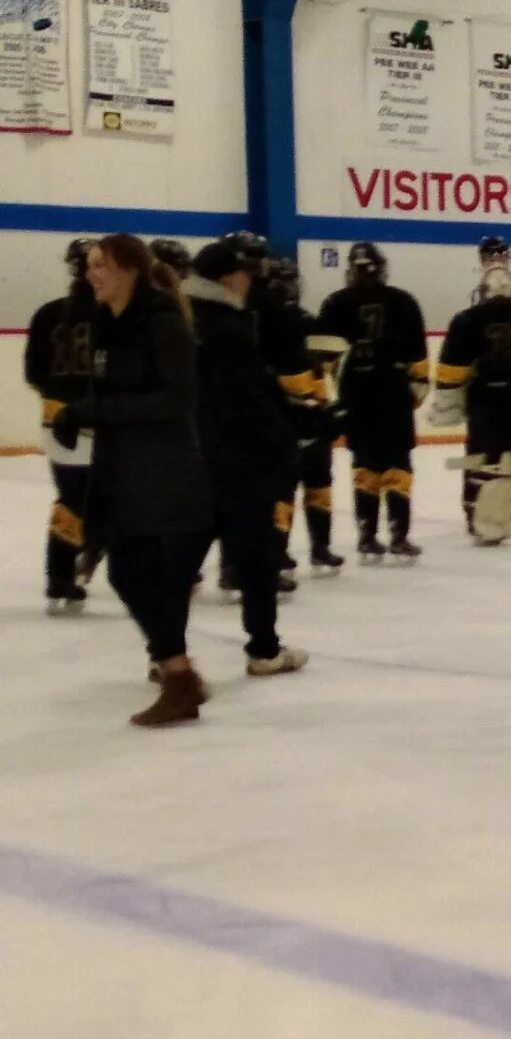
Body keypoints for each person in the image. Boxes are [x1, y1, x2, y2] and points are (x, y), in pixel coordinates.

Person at [51, 236, 214, 726]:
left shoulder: (162, 324)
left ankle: (179, 678)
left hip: (161, 472)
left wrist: (93, 411)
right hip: (122, 468)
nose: (90, 274)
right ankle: (179, 676)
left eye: (100, 266)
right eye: (89, 266)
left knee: (133, 574)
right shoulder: (110, 323)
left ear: (129, 269)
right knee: (132, 573)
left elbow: (175, 401)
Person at [187, 236, 308, 677]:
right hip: (240, 466)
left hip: (194, 462)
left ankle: (166, 656)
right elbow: (249, 401)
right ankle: (264, 648)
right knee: (257, 558)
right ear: (225, 278)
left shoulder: (187, 323)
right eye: (244, 274)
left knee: (181, 563)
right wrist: (287, 443)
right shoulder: (228, 329)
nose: (249, 282)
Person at [309, 242, 429, 562]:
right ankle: (399, 534)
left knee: (365, 464)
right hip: (394, 393)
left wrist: (337, 394)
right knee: (397, 464)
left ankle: (367, 534)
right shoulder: (403, 302)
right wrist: (416, 392)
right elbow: (418, 356)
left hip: (356, 394)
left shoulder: (335, 303)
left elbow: (325, 359)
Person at [434, 240, 511, 545]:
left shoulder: (468, 319)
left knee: (481, 459)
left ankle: (480, 520)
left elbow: (451, 369)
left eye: (501, 254)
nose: (496, 260)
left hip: (487, 401)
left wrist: (447, 403)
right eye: (491, 254)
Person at [25, 237, 99, 614]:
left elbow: (33, 372)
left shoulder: (47, 313)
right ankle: (76, 563)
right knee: (95, 498)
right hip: (99, 418)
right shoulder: (112, 314)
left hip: (56, 418)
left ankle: (62, 573)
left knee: (72, 499)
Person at [263, 258, 344, 576]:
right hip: (287, 416)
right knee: (285, 488)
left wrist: (328, 406)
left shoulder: (301, 321)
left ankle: (318, 547)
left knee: (317, 482)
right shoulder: (271, 322)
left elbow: (324, 368)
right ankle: (281, 551)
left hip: (308, 412)